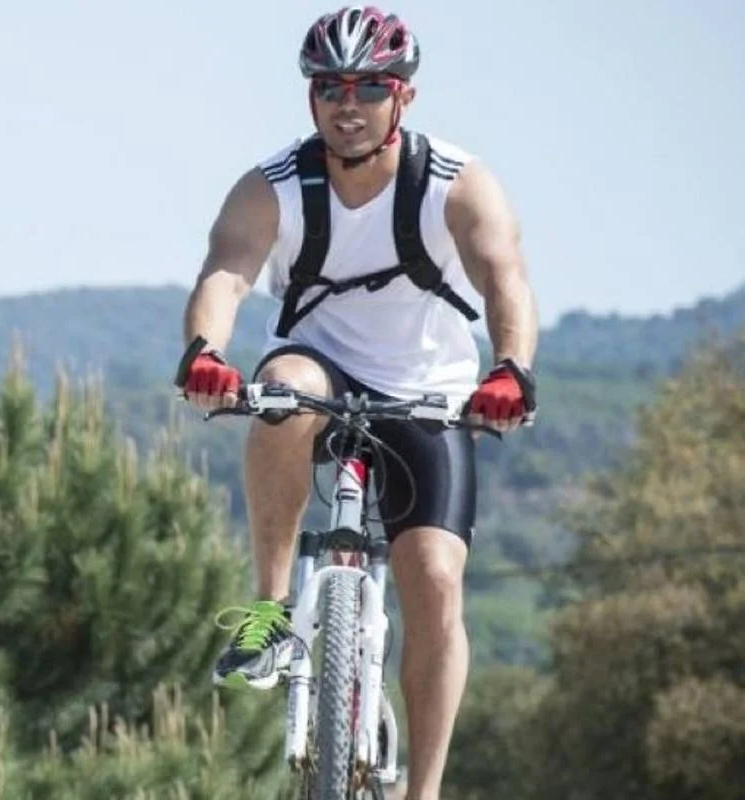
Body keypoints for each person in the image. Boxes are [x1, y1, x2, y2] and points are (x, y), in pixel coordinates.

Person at [175, 7, 538, 799]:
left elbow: (503, 276)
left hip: (428, 392)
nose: (349, 104)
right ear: (312, 98)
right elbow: (226, 273)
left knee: (433, 579)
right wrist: (205, 353)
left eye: (371, 88)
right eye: (332, 88)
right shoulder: (273, 187)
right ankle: (272, 611)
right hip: (323, 367)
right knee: (282, 395)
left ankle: (424, 790)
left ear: (402, 96)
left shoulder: (456, 182)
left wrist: (510, 369)